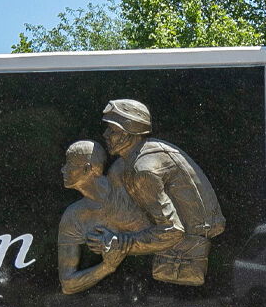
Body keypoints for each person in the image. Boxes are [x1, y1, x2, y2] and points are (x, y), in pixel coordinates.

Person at [86, 99, 226, 286]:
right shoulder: (134, 158)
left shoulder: (143, 171)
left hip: (184, 255)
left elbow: (172, 231)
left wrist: (117, 242)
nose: (105, 135)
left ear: (130, 132)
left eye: (113, 130)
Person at [57, 140, 148, 294]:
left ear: (87, 169)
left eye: (69, 164)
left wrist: (122, 243)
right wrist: (107, 266)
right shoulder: (73, 217)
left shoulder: (124, 178)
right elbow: (68, 284)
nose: (63, 169)